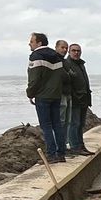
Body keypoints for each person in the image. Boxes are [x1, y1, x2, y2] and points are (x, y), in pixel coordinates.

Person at [26, 32, 67, 162]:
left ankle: (51, 154)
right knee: (57, 125)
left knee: (46, 126)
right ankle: (61, 154)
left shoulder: (36, 56)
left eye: (32, 41)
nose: (29, 44)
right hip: (56, 95)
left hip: (43, 95)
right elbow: (64, 76)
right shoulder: (56, 56)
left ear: (39, 43)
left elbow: (34, 78)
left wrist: (30, 93)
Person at [65, 43, 93, 156]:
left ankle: (81, 145)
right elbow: (68, 83)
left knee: (81, 124)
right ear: (69, 52)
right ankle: (75, 147)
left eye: (78, 51)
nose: (76, 53)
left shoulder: (81, 64)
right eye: (74, 50)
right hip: (74, 100)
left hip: (84, 99)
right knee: (74, 124)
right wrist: (74, 96)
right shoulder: (67, 64)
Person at [54, 40, 72, 147]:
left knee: (67, 122)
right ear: (56, 47)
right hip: (59, 94)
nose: (64, 50)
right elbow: (62, 76)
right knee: (60, 121)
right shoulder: (54, 60)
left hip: (67, 93)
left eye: (66, 48)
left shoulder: (65, 61)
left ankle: (64, 144)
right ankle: (59, 145)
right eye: (62, 47)